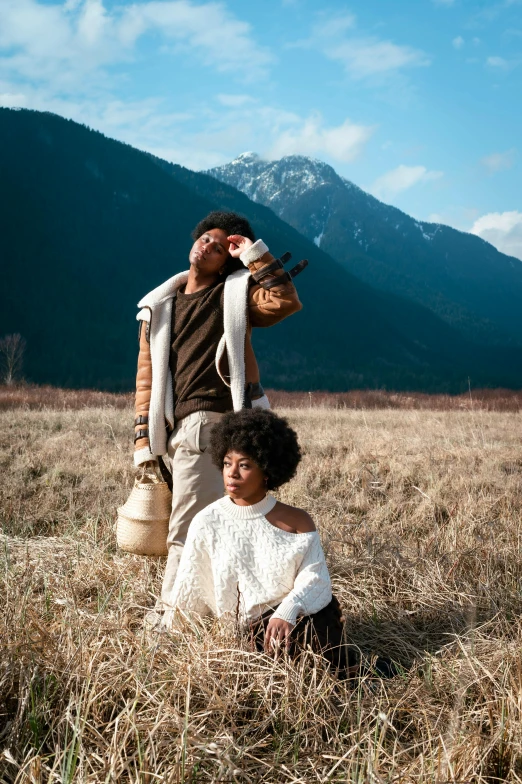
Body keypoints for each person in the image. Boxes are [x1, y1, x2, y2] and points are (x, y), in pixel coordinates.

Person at [133, 211, 306, 613]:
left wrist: (254, 255)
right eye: (206, 237)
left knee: (187, 528)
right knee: (220, 525)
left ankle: (168, 622)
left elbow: (283, 300)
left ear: (226, 260)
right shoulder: (158, 308)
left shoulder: (234, 294)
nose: (208, 244)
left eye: (220, 244)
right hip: (176, 432)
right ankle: (233, 612)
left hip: (214, 423)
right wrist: (144, 443)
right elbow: (146, 383)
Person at [162, 408, 355, 677]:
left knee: (324, 614)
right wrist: (177, 645)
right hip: (250, 638)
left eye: (244, 465)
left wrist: (287, 611)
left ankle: (335, 673)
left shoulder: (298, 520)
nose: (232, 474)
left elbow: (317, 579)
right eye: (228, 463)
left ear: (266, 469)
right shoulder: (207, 522)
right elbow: (189, 591)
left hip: (296, 619)